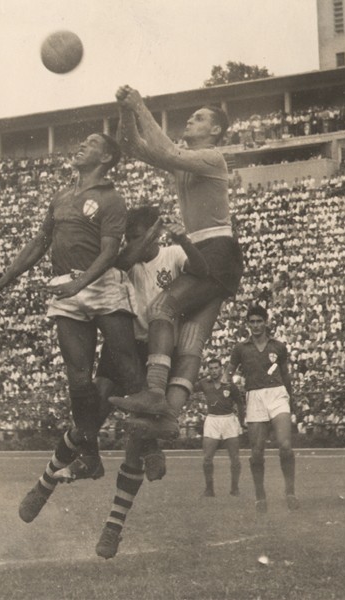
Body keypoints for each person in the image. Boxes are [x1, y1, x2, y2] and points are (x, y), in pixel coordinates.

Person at [0, 133, 144, 521]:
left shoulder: (112, 199)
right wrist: (5, 278)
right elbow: (39, 242)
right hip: (65, 287)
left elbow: (110, 251)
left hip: (98, 286)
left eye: (91, 142)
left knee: (129, 367)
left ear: (107, 156)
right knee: (77, 380)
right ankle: (91, 456)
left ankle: (151, 449)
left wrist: (80, 284)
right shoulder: (62, 196)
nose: (80, 145)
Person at [109, 86, 244, 440]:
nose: (190, 119)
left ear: (215, 131)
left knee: (160, 309)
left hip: (214, 249)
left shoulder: (212, 158)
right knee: (190, 341)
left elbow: (165, 150)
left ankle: (155, 393)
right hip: (215, 253)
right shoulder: (186, 162)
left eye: (200, 117)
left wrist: (140, 104)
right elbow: (133, 147)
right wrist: (126, 112)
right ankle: (170, 416)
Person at [94, 205, 208, 559]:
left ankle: (113, 526)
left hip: (159, 350)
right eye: (130, 237)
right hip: (127, 348)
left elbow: (203, 272)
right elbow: (126, 257)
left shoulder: (172, 254)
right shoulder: (126, 262)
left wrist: (183, 239)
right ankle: (151, 451)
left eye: (138, 234)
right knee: (98, 407)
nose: (133, 242)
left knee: (136, 436)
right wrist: (148, 232)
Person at [223, 305, 297, 514]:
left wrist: (292, 402)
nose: (255, 325)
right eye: (252, 322)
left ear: (266, 322)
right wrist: (227, 380)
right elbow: (228, 372)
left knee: (285, 445)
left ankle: (290, 492)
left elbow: (285, 375)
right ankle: (260, 496)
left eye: (259, 321)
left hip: (277, 393)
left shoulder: (278, 347)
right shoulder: (240, 348)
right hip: (254, 396)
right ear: (248, 324)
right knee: (256, 452)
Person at [196, 357, 244, 498]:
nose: (214, 371)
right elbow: (189, 388)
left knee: (235, 458)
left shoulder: (229, 384)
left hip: (229, 420)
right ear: (208, 370)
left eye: (216, 368)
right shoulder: (204, 383)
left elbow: (240, 403)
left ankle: (234, 488)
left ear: (221, 369)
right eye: (211, 368)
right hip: (212, 420)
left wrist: (241, 422)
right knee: (207, 458)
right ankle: (209, 489)